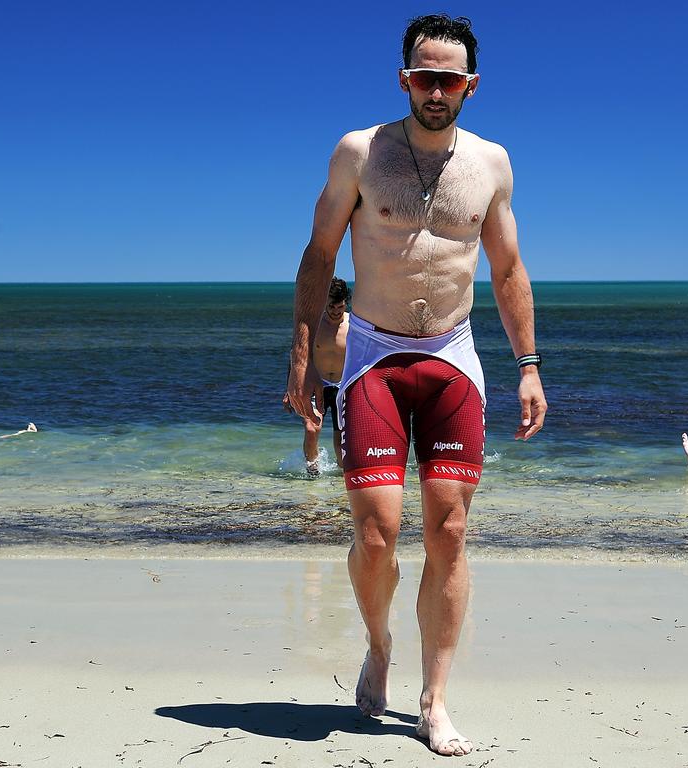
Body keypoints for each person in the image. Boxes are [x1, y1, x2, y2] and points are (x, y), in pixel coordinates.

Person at [286, 14, 546, 757]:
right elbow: (317, 256)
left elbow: (509, 270)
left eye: (450, 79)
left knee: (451, 532)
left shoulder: (492, 164)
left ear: (471, 84)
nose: (436, 91)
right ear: (404, 79)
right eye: (423, 77)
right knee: (374, 538)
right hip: (371, 354)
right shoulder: (360, 153)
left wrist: (529, 367)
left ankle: (434, 698)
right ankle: (378, 645)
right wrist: (302, 358)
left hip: (453, 358)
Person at [282, 278, 351, 476]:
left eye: (340, 306)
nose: (336, 311)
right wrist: (290, 387)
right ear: (324, 302)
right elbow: (297, 353)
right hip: (317, 383)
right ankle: (312, 473)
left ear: (345, 302)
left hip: (342, 385)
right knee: (312, 429)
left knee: (342, 438)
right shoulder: (314, 324)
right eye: (331, 306)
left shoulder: (353, 324)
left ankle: (341, 482)